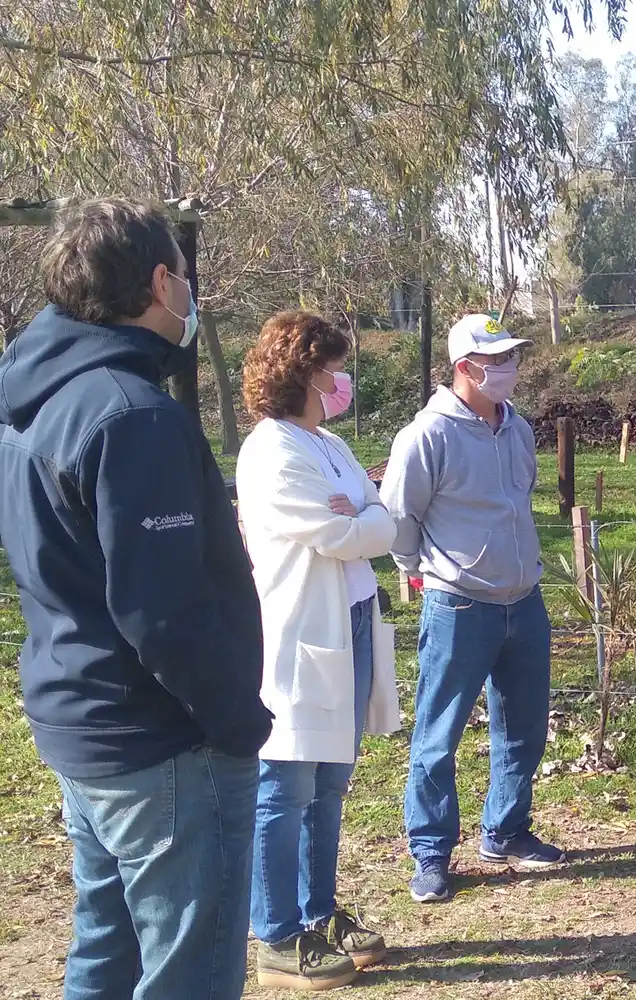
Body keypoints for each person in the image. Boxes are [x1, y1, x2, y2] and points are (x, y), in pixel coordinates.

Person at [0, 197, 271, 998]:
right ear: (160, 282)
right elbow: (163, 611)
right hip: (162, 743)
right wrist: (235, 719)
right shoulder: (131, 415)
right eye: (184, 278)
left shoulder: (33, 403)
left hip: (82, 721)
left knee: (106, 954)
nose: (189, 294)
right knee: (190, 969)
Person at [235, 311, 400, 989]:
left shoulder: (324, 441)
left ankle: (320, 912)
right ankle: (276, 934)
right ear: (298, 373)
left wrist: (360, 512)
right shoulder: (271, 451)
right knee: (286, 787)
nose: (338, 381)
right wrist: (362, 516)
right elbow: (344, 534)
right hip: (299, 633)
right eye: (329, 369)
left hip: (352, 619)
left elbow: (380, 518)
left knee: (330, 784)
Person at [381, 314, 561, 903]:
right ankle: (430, 853)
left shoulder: (519, 429)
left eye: (512, 357)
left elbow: (521, 500)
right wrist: (421, 572)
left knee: (524, 727)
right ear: (465, 368)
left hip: (523, 602)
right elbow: (400, 519)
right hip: (458, 605)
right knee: (439, 735)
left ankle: (506, 831)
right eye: (497, 360)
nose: (509, 369)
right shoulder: (426, 436)